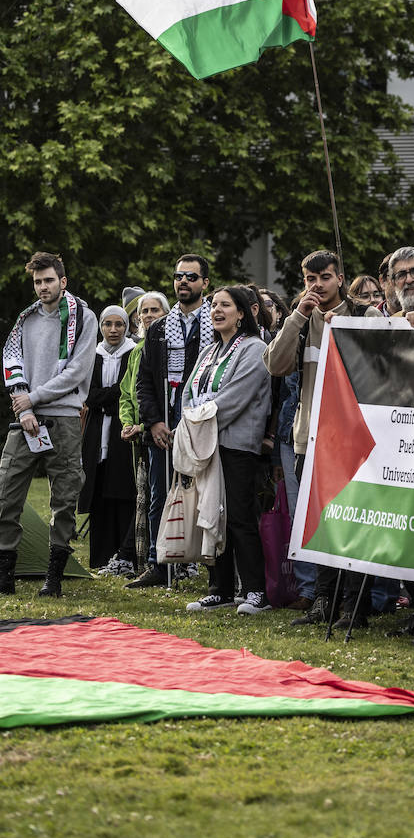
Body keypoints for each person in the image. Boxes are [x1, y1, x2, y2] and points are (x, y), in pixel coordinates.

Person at [264, 250, 381, 626]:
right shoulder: (300, 321)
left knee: (353, 521)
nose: (318, 286)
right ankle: (323, 601)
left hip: (354, 437)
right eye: (311, 279)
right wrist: (298, 315)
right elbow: (275, 364)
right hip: (308, 438)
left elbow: (382, 370)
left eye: (325, 278)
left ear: (341, 278)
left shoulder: (366, 315)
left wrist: (343, 332)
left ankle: (354, 606)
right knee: (320, 523)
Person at [0, 252, 98, 596]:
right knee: (6, 493)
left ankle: (53, 578)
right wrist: (24, 407)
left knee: (65, 499)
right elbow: (12, 360)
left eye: (49, 280)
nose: (43, 287)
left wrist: (34, 398)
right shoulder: (25, 319)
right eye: (38, 282)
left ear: (63, 281)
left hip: (65, 418)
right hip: (25, 417)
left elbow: (78, 372)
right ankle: (4, 576)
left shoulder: (84, 317)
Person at [183, 285, 273, 616]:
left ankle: (255, 591)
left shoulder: (255, 348)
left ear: (242, 313)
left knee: (239, 517)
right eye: (214, 306)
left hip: (237, 445)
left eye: (225, 305)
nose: (217, 310)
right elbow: (187, 393)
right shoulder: (208, 351)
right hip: (206, 446)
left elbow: (236, 398)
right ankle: (219, 589)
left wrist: (197, 418)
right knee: (211, 517)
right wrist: (191, 419)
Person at [130, 254, 212, 588]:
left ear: (205, 282)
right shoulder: (160, 329)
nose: (183, 282)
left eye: (191, 276)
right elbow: (144, 382)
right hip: (163, 421)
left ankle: (213, 569)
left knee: (207, 496)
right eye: (178, 276)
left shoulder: (218, 321)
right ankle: (158, 562)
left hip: (201, 419)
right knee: (159, 494)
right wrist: (153, 422)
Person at [79, 305, 137, 571]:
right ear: (101, 326)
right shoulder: (93, 355)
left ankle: (124, 556)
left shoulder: (133, 353)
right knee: (99, 490)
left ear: (127, 327)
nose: (113, 330)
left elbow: (128, 393)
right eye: (108, 324)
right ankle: (100, 556)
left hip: (121, 432)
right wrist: (108, 397)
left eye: (119, 325)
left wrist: (104, 399)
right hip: (96, 433)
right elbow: (86, 393)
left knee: (122, 489)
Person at [118, 290, 170, 575]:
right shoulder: (136, 350)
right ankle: (148, 562)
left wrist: (146, 423)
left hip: (161, 431)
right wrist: (128, 422)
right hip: (141, 436)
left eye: (155, 311)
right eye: (144, 312)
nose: (148, 316)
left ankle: (173, 561)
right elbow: (127, 393)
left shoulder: (170, 345)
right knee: (148, 499)